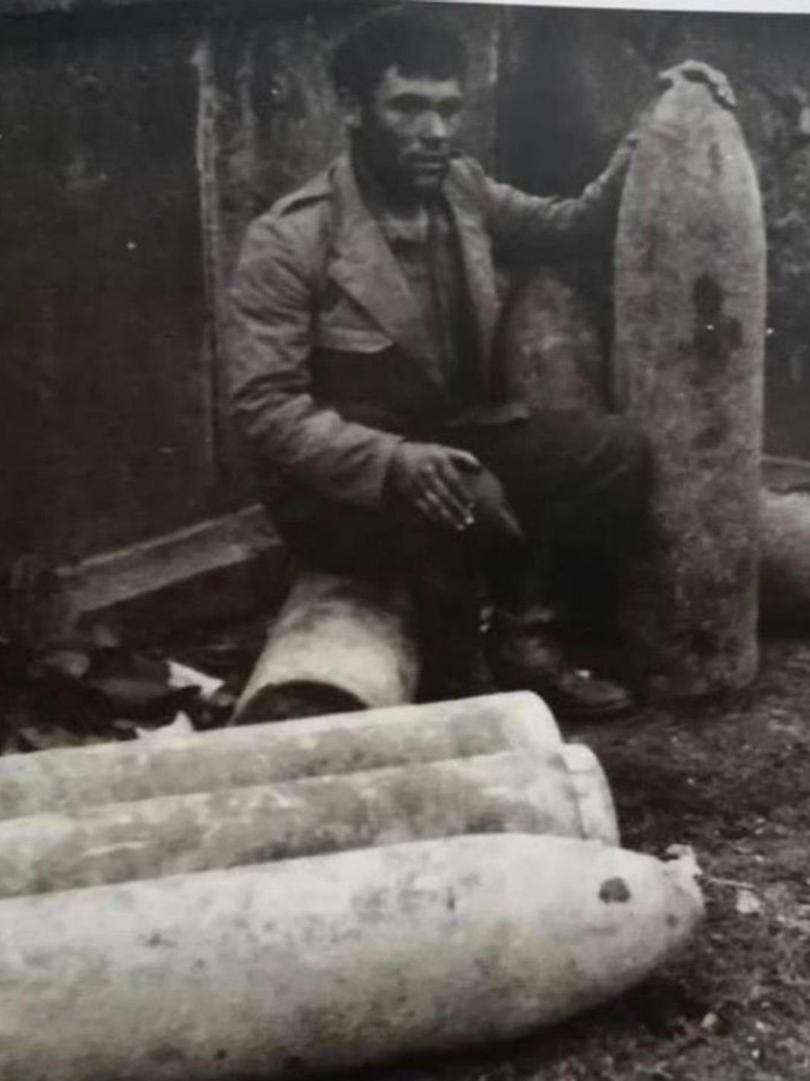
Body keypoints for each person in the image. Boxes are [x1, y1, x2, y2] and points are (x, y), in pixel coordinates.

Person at [223, 5, 717, 719]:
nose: (435, 131)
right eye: (409, 108)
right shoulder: (290, 239)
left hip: (453, 441)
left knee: (612, 453)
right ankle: (467, 692)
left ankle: (525, 637)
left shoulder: (462, 188)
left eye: (448, 110)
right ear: (354, 108)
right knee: (460, 505)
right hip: (341, 486)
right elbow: (265, 410)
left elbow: (570, 222)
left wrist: (660, 125)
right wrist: (392, 462)